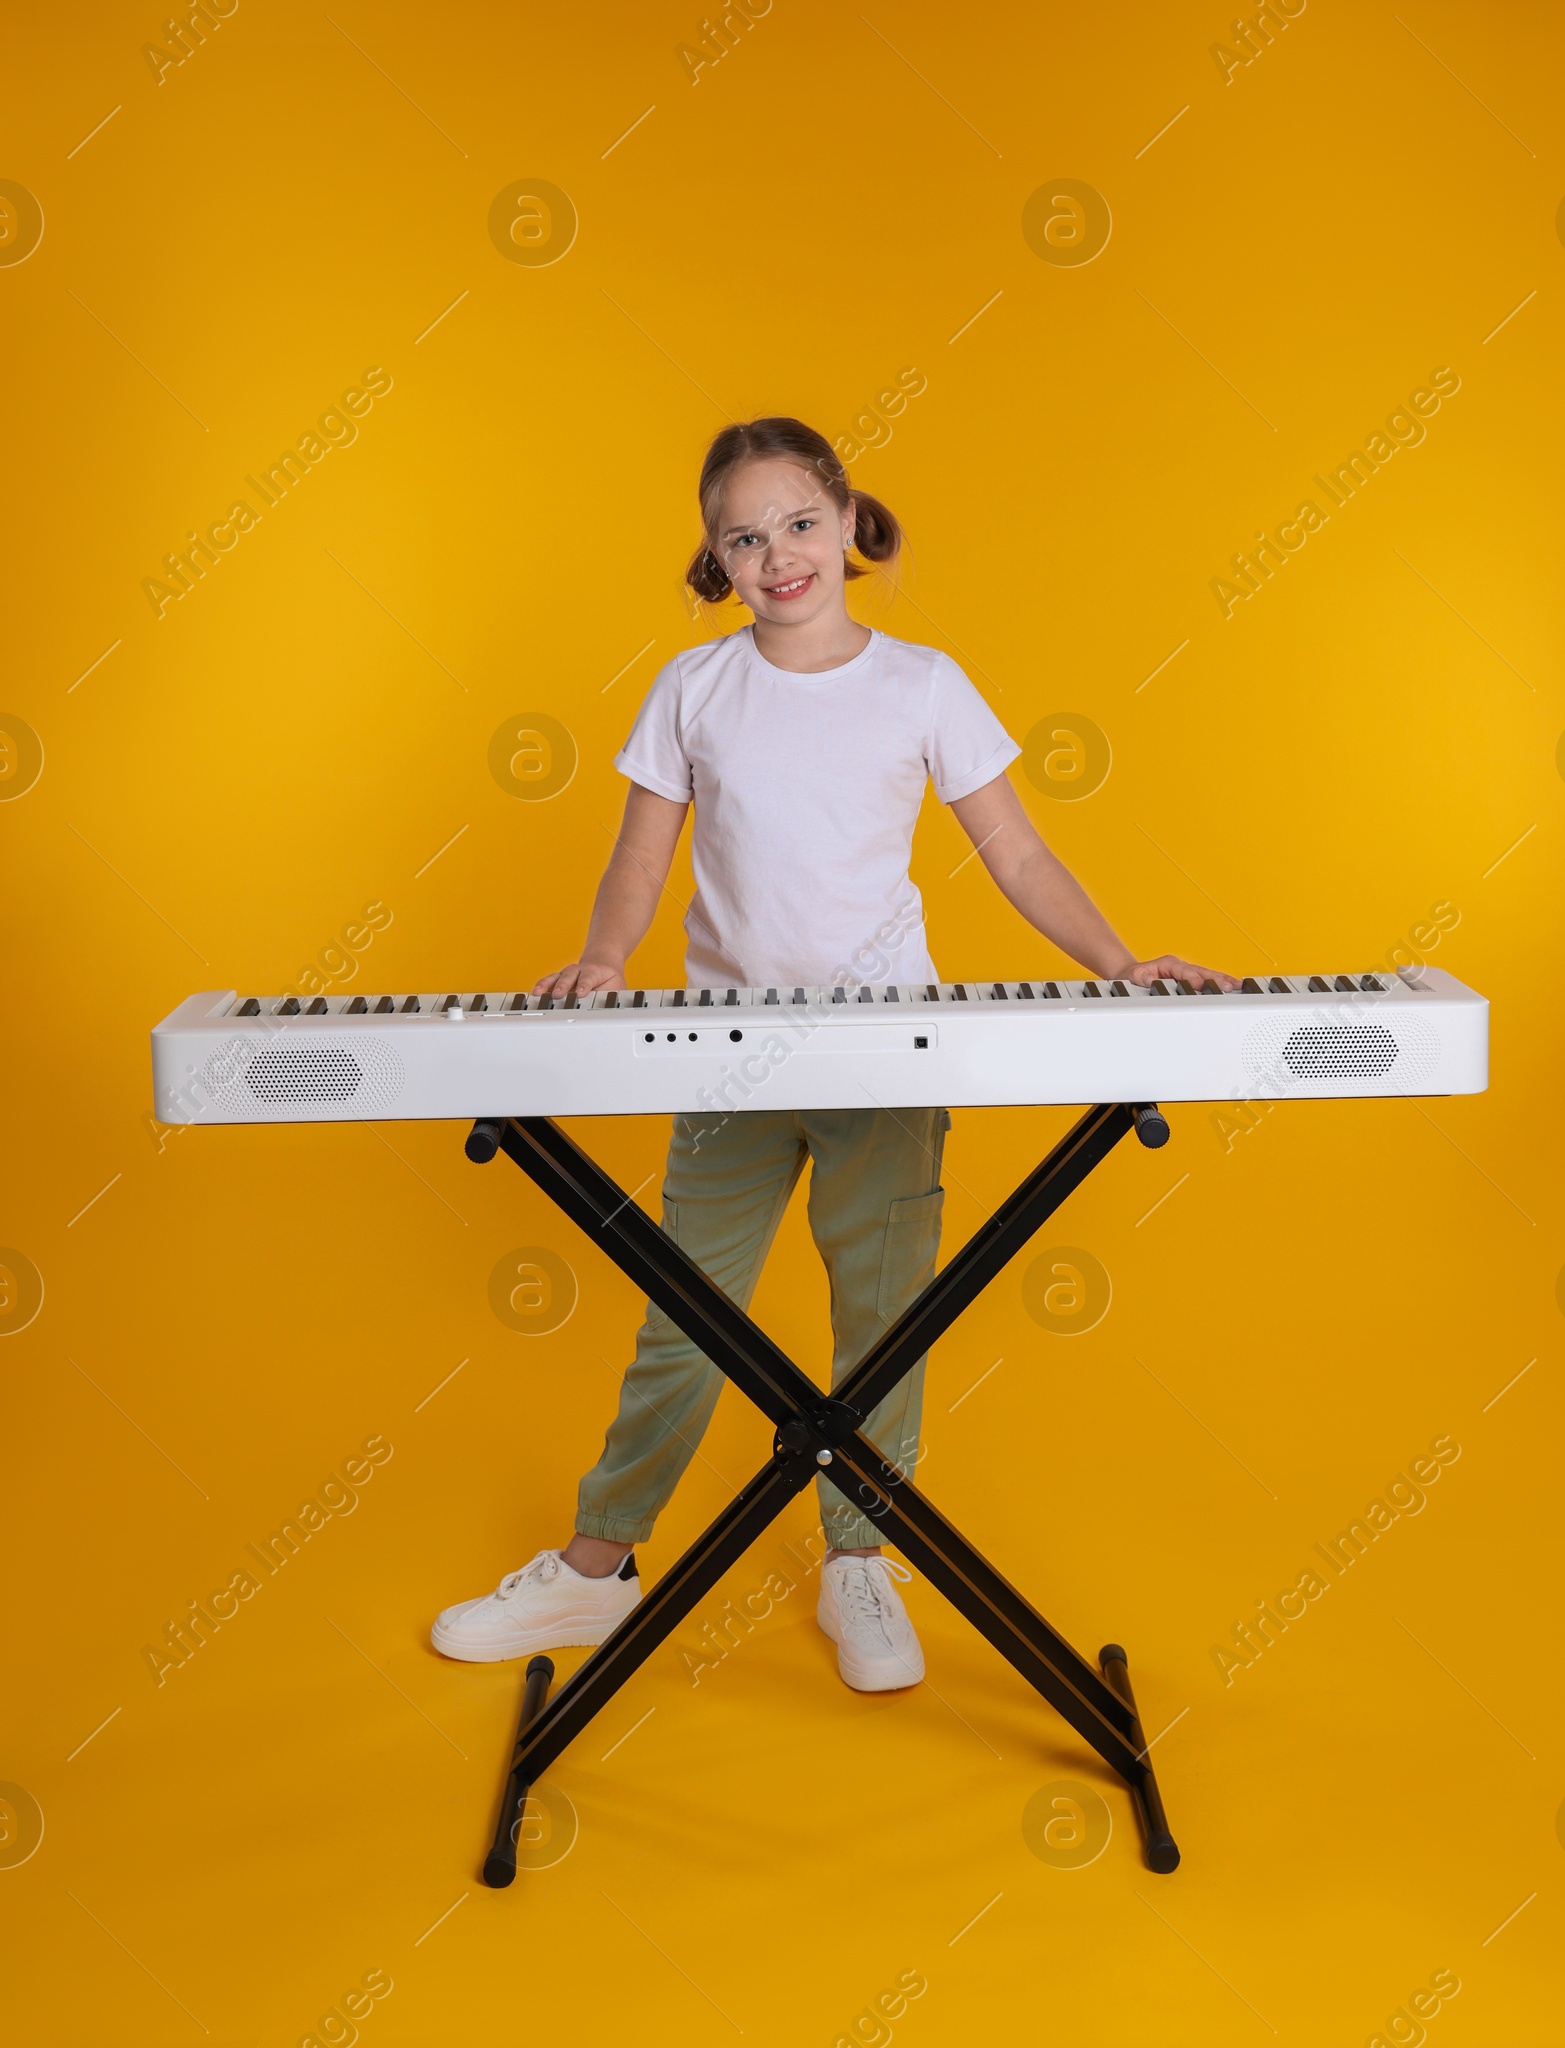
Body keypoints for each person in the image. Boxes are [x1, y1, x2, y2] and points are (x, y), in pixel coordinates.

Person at [431, 416, 1234, 1690]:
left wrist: (1123, 965)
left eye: (797, 522)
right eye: (741, 537)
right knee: (684, 1319)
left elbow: (1015, 853)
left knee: (885, 1318)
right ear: (716, 561)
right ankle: (595, 1569)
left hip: (884, 1055)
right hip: (726, 1057)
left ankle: (861, 1558)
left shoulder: (923, 682)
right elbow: (641, 853)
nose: (776, 554)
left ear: (849, 520)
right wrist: (603, 957)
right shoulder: (691, 687)